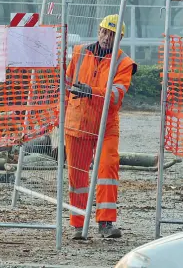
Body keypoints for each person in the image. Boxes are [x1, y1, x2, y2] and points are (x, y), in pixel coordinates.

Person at [64, 14, 137, 239]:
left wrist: (91, 92)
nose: (106, 37)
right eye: (104, 32)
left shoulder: (124, 63)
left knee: (106, 169)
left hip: (106, 124)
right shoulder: (79, 52)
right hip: (78, 122)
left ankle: (105, 222)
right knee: (77, 176)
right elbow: (67, 85)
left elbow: (116, 96)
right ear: (98, 31)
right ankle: (79, 224)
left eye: (112, 35)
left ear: (120, 38)